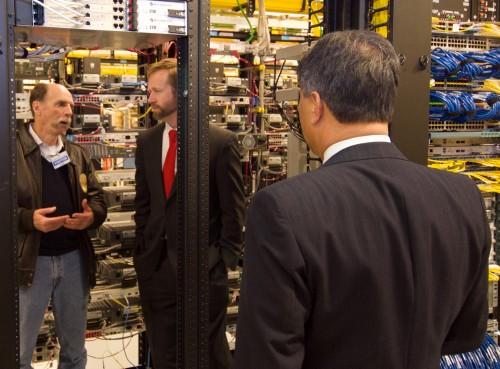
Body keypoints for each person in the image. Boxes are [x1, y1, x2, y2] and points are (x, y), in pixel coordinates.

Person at [233, 30, 490, 369]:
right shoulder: (463, 196)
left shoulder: (282, 209)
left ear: (315, 105)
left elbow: (265, 358)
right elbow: (467, 334)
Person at [134, 59, 245, 369]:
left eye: (156, 91)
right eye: (148, 91)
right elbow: (144, 205)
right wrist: (142, 251)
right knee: (164, 352)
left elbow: (233, 210)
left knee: (210, 354)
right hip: (156, 268)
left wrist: (223, 261)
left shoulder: (220, 143)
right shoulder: (148, 141)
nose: (150, 98)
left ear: (180, 91)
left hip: (203, 269)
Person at [17, 83, 107, 369]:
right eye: (60, 105)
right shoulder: (11, 150)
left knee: (75, 351)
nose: (68, 112)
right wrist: (28, 219)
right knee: (18, 353)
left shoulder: (77, 153)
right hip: (30, 263)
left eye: (70, 106)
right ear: (36, 107)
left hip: (73, 261)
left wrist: (91, 216)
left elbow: (98, 200)